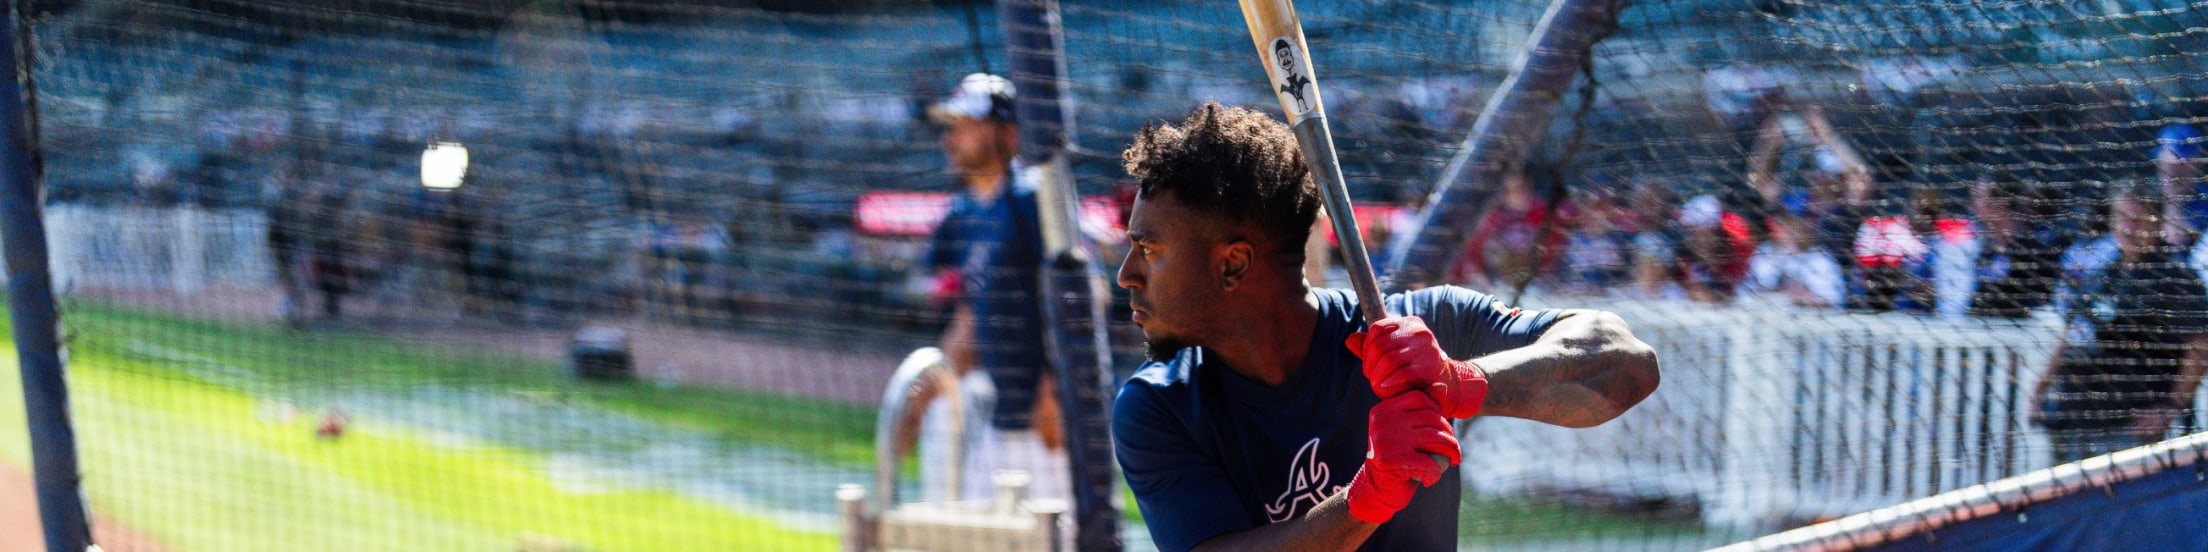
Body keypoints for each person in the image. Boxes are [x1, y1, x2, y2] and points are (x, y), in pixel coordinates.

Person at [1111, 103, 1660, 551]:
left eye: (1148, 249)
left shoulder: (1422, 329)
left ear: (1232, 264)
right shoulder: (1159, 406)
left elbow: (1627, 361)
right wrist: (1366, 499)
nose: (1125, 275)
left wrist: (1460, 382)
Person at [913, 73, 1067, 503]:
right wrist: (918, 399)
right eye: (951, 126)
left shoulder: (1032, 198)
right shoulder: (968, 215)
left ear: (1008, 132)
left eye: (966, 125)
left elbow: (1085, 289)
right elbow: (968, 323)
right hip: (1005, 420)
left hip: (1051, 423)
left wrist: (1056, 391)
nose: (951, 138)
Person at [2032, 179, 2208, 463]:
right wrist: (2040, 389)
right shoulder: (2102, 274)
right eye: (2123, 218)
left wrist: (2170, 406)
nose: (2129, 228)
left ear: (2157, 222)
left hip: (2128, 425)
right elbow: (2074, 334)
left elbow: (2201, 346)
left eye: (2139, 219)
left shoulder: (2175, 279)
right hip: (2072, 417)